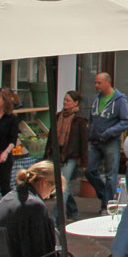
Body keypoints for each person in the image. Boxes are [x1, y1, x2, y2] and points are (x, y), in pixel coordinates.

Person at [86, 73, 128, 215]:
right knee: (89, 170)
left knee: (111, 174)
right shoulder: (96, 98)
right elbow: (92, 118)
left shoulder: (120, 100)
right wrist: (90, 133)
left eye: (99, 83)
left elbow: (126, 121)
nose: (96, 85)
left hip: (110, 140)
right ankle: (105, 196)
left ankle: (107, 204)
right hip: (95, 139)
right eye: (95, 82)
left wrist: (110, 132)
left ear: (108, 82)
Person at [44, 90, 88, 220]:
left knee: (62, 186)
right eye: (64, 100)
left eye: (68, 100)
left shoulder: (79, 120)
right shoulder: (57, 116)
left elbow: (83, 142)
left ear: (75, 103)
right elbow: (51, 136)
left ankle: (56, 217)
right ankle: (72, 210)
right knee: (63, 185)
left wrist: (84, 162)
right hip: (55, 154)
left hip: (70, 156)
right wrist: (46, 154)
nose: (65, 103)